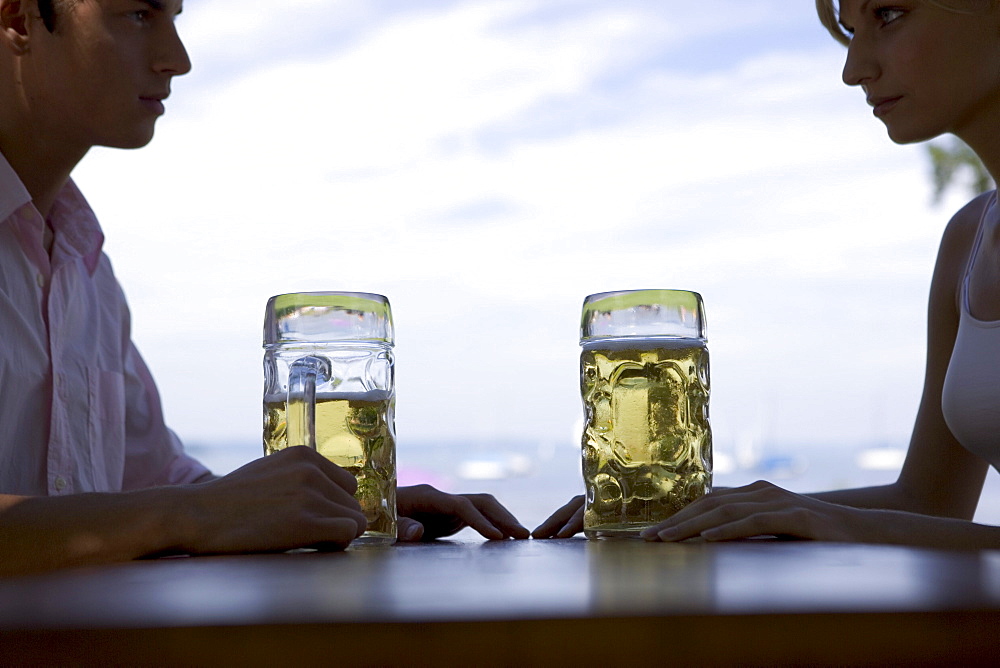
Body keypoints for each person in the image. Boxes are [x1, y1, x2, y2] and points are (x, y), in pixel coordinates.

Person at [0, 0, 528, 577]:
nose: (178, 59)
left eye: (174, 19)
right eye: (138, 15)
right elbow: (173, 508)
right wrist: (193, 514)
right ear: (20, 20)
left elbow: (152, 485)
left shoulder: (88, 274)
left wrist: (349, 504)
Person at [534, 0, 1000, 549]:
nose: (853, 68)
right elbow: (930, 504)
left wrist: (838, 521)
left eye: (889, 15)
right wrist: (715, 509)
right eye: (851, 30)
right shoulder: (969, 240)